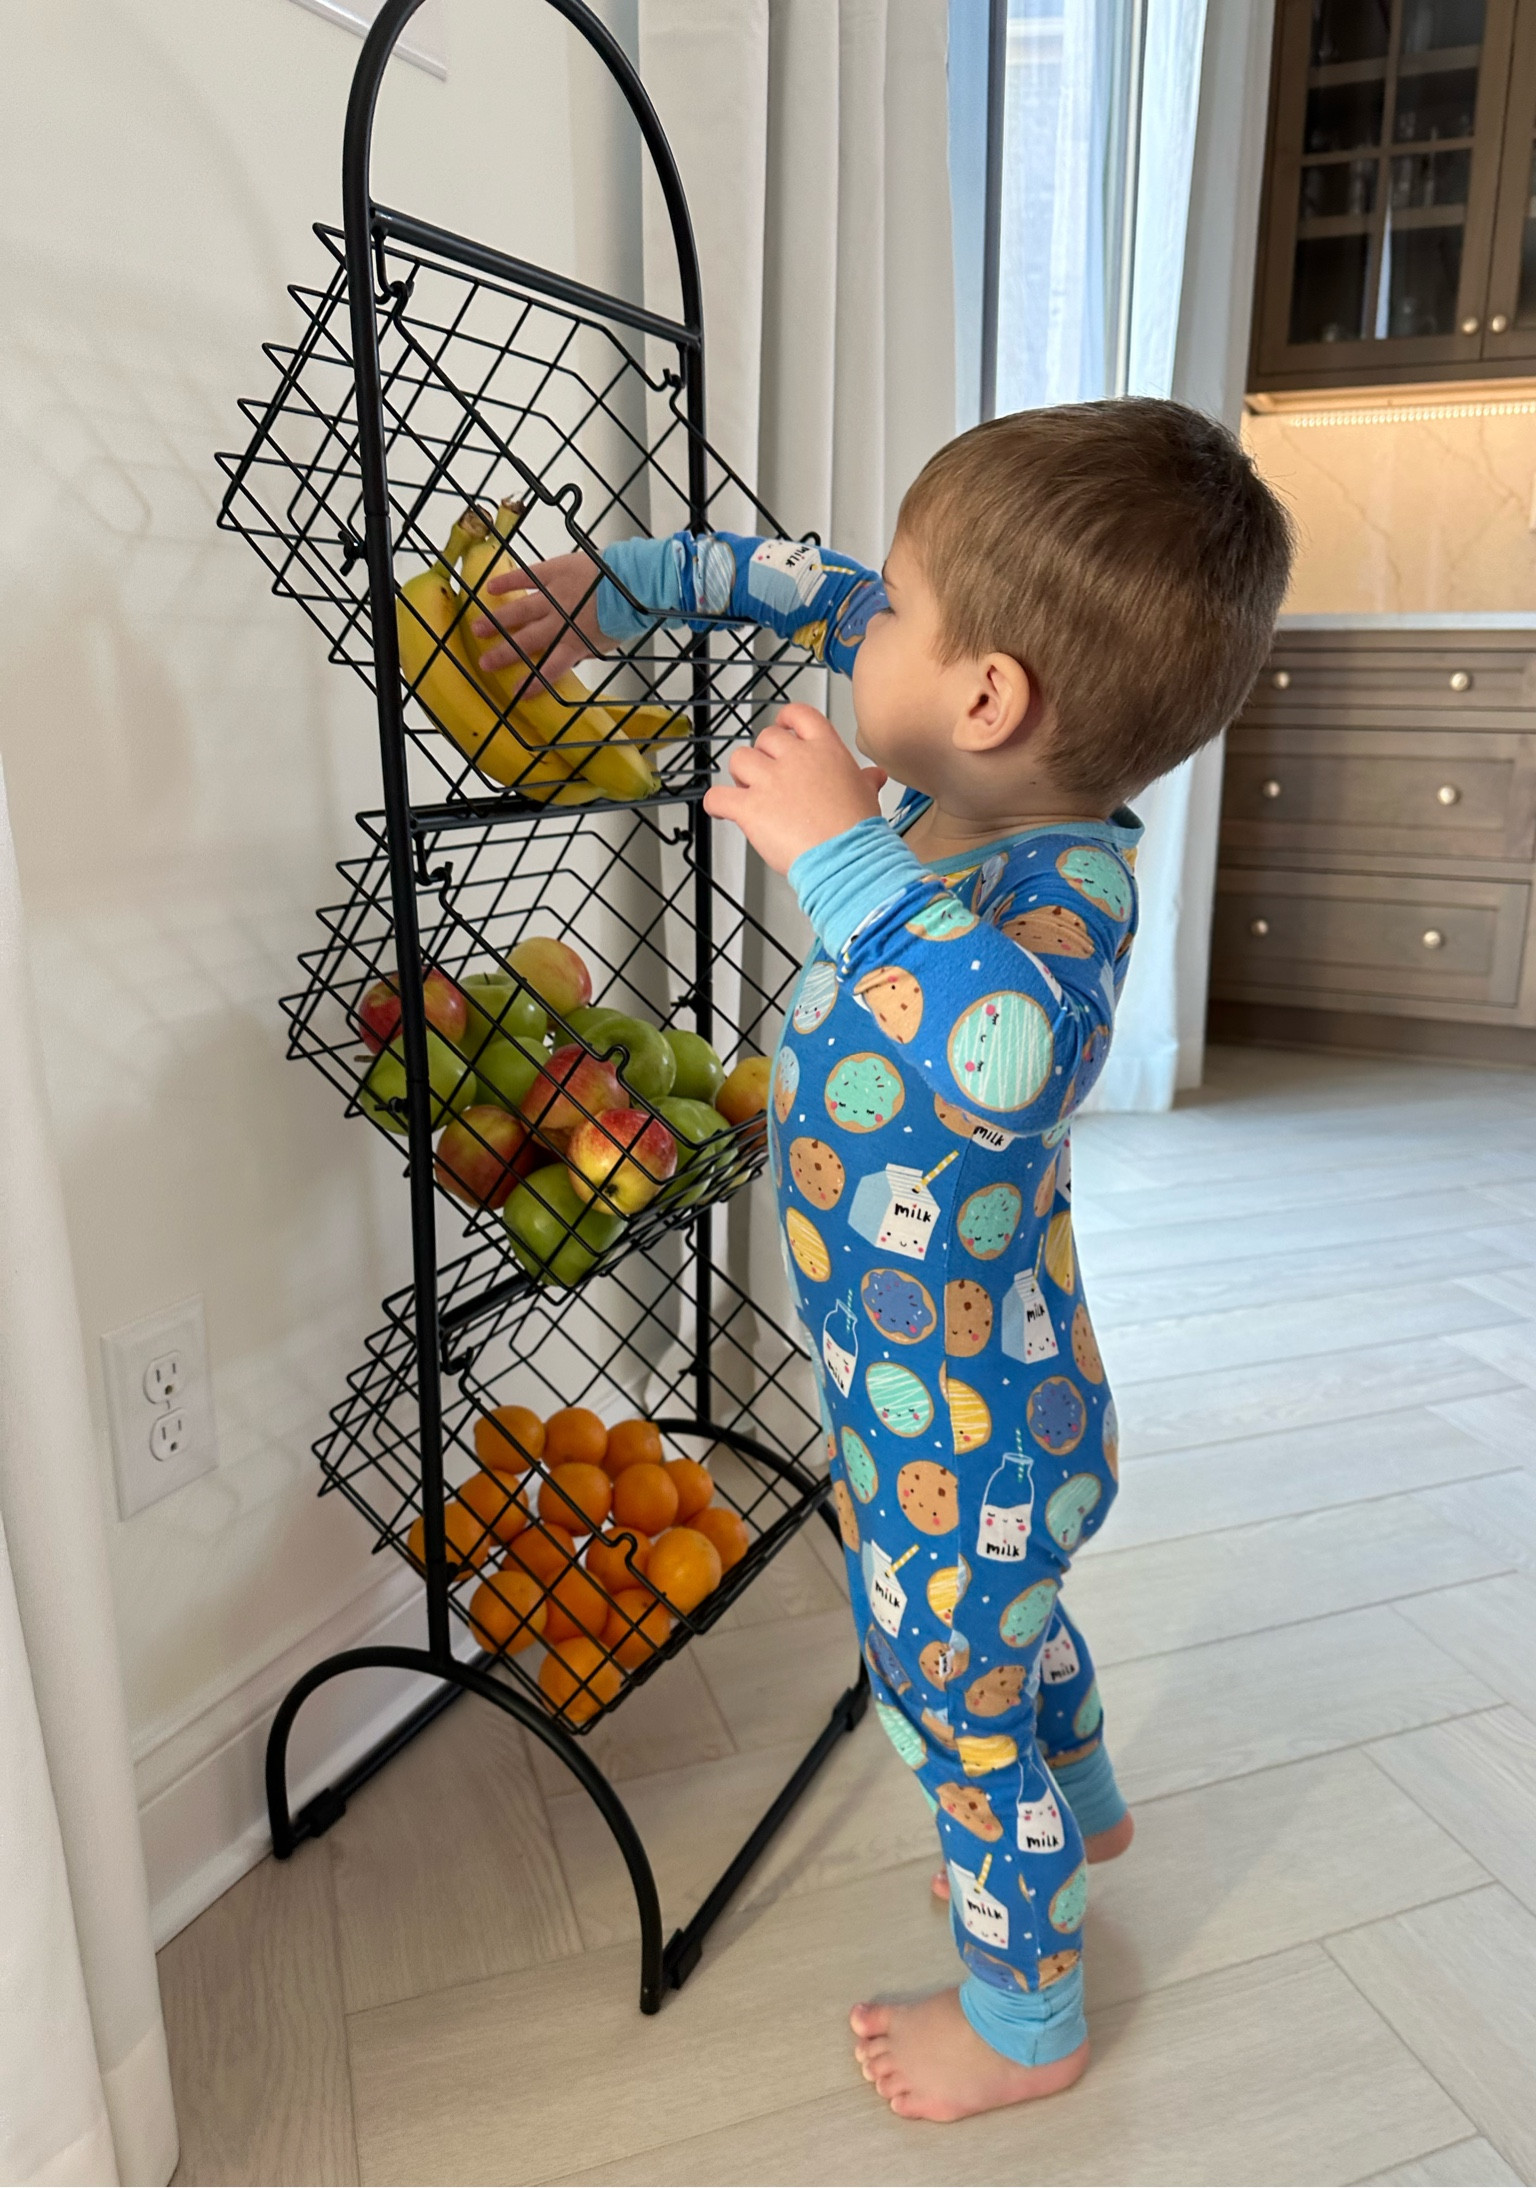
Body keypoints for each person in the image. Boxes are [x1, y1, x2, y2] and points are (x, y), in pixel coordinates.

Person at [472, 398, 1293, 2122]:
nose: (871, 621)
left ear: (987, 698)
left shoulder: (1060, 899)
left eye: (911, 612)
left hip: (963, 1432)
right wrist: (621, 591)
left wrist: (842, 856)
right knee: (1018, 1627)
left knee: (948, 1708)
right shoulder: (966, 757)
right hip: (959, 1394)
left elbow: (1010, 1062)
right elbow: (810, 587)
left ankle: (1026, 2011)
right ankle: (1093, 1790)